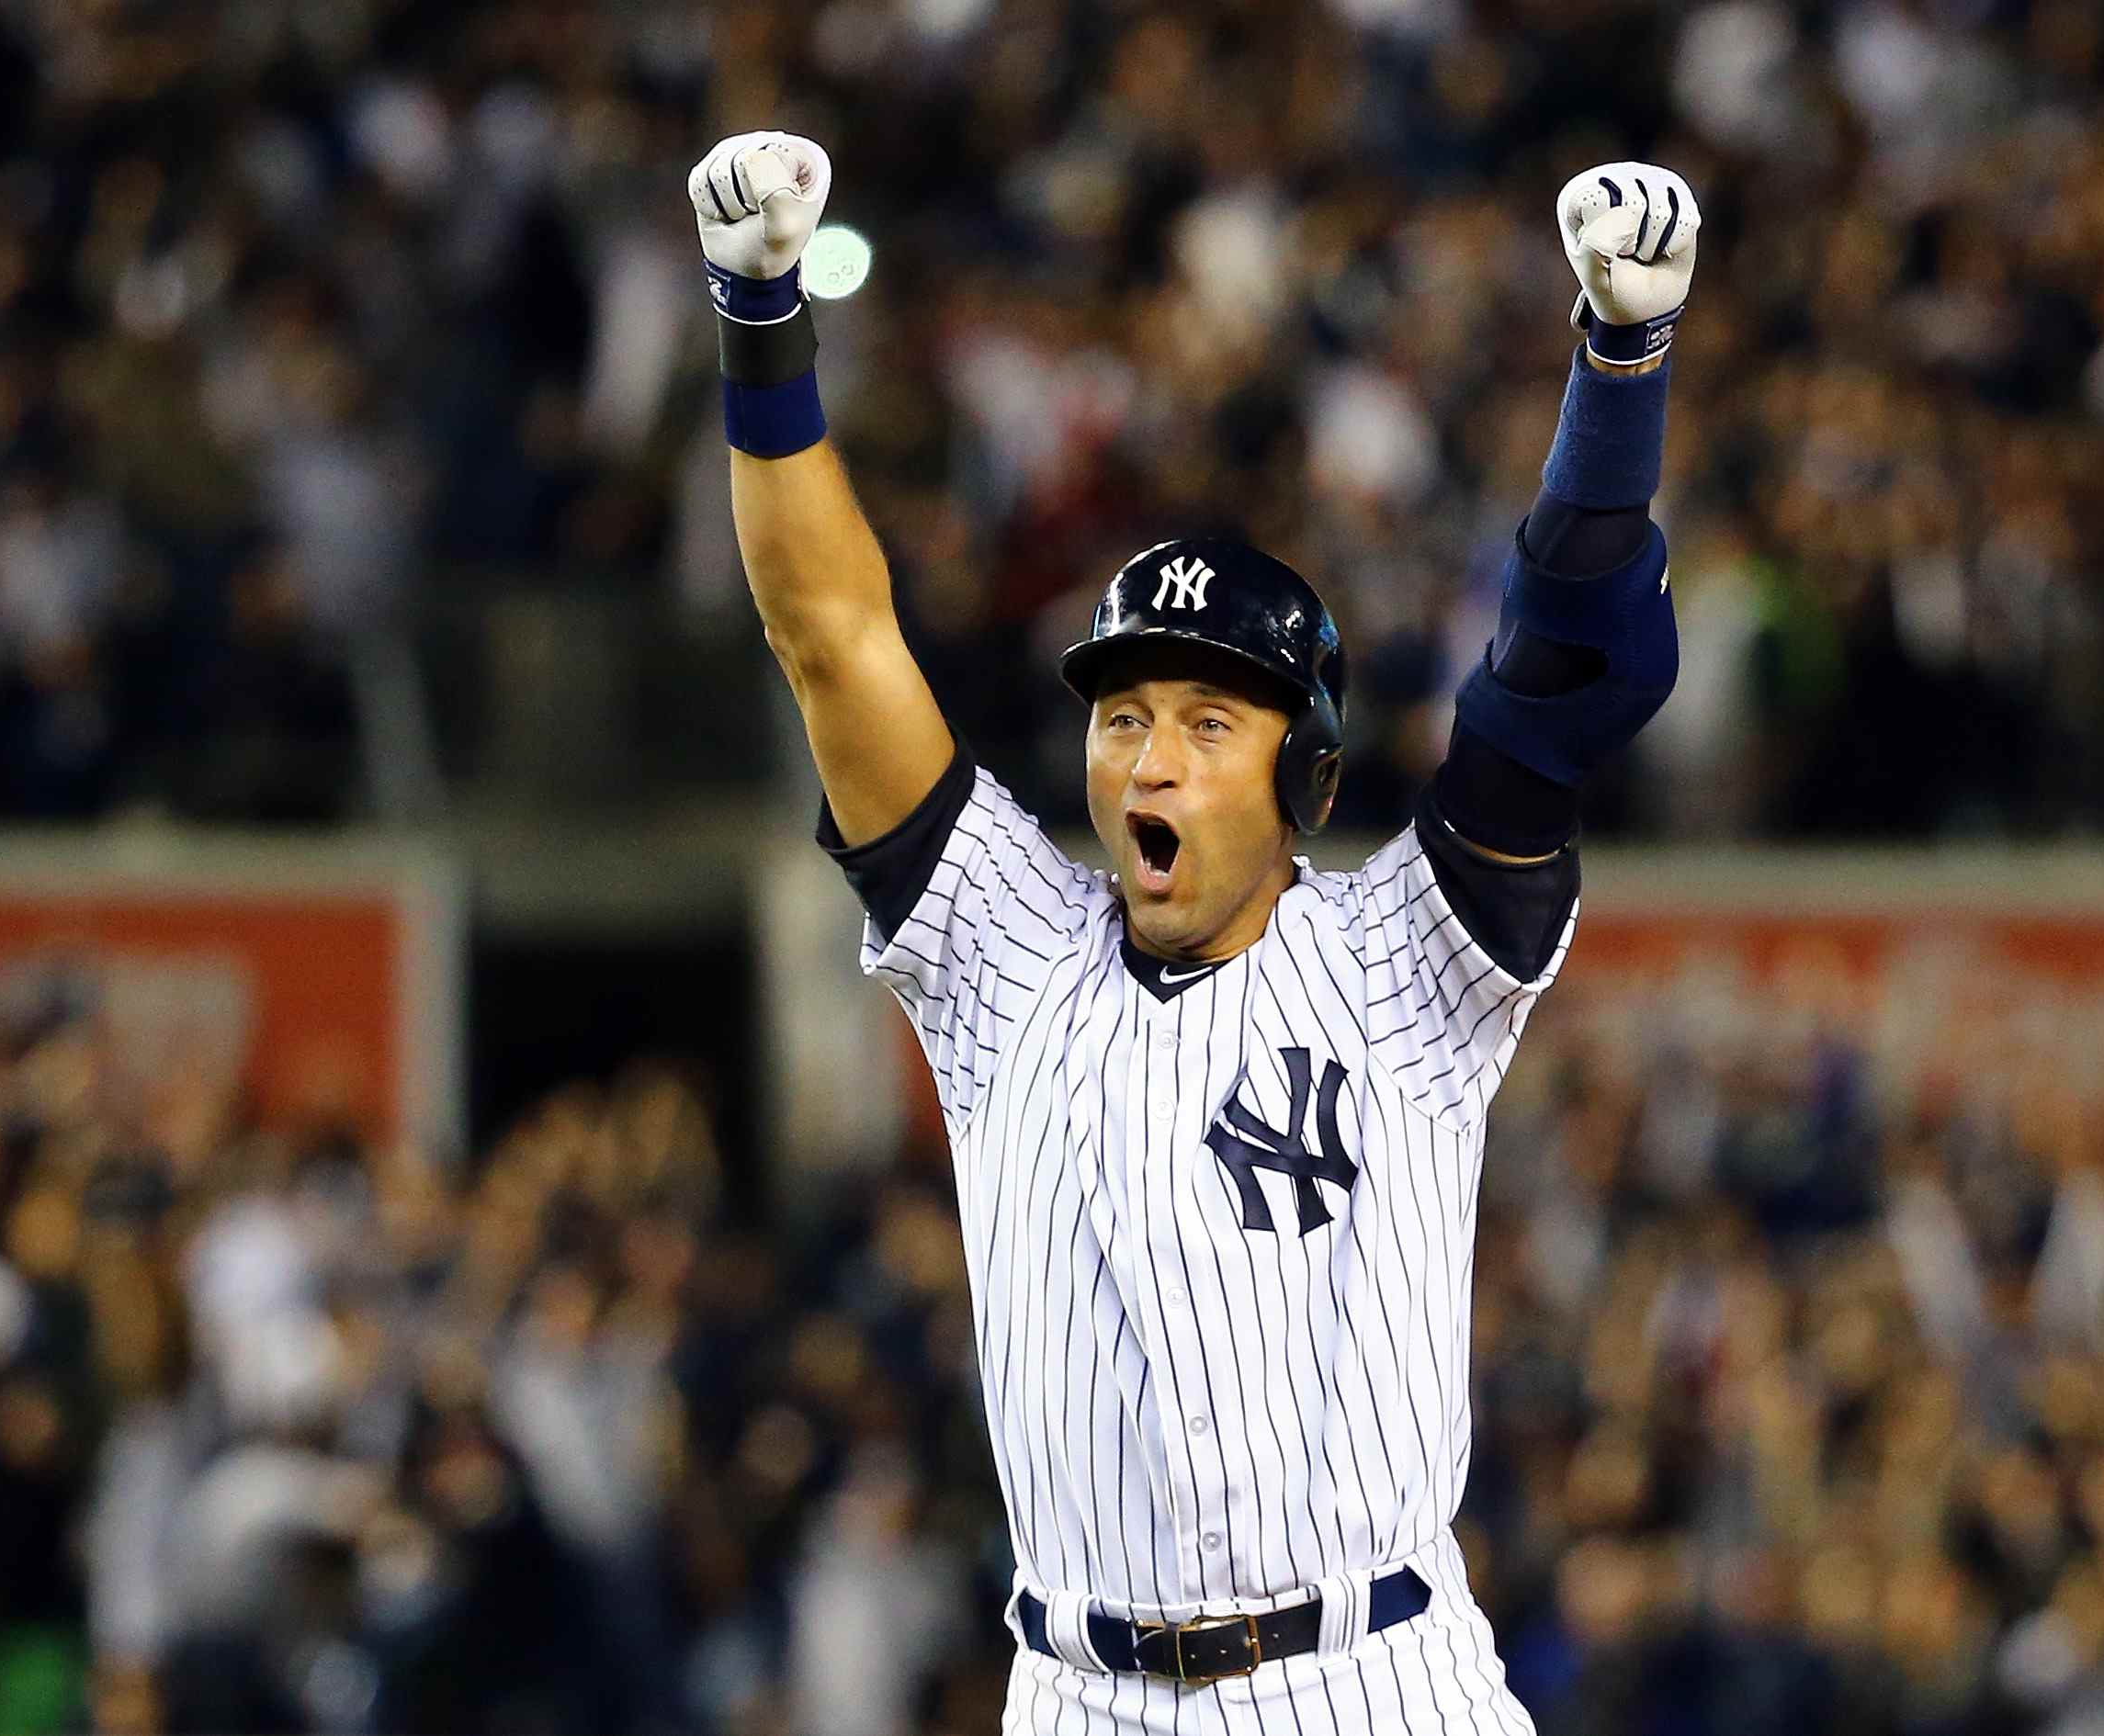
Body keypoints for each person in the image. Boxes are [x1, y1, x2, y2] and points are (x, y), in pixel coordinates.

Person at [688, 131, 1698, 1732]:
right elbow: (831, 636)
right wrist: (759, 323)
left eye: (1208, 722)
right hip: (1078, 1690)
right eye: (1124, 715)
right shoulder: (997, 948)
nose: (1148, 758)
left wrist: (1619, 368)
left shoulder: (1407, 964)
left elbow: (1553, 672)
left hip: (1374, 1680)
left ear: (1304, 769)